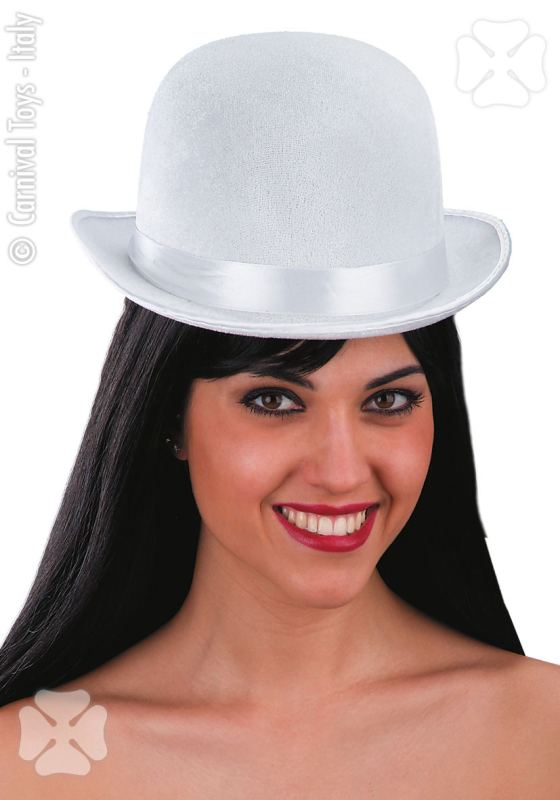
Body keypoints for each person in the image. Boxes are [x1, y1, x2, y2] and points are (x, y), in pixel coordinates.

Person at [1, 30, 559, 797]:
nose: (341, 471)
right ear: (169, 416)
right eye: (274, 401)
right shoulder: (28, 763)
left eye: (388, 400)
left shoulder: (544, 731)